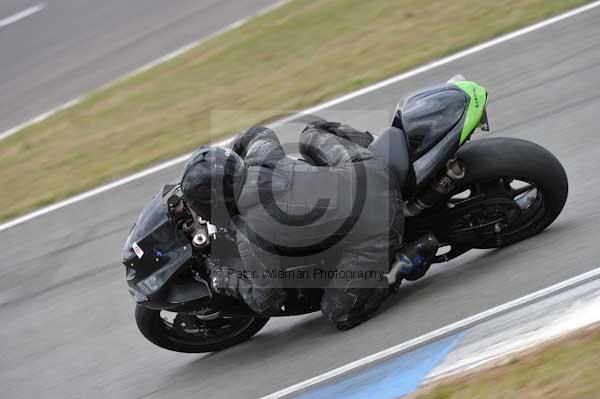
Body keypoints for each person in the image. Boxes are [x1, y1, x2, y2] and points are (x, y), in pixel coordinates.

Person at [180, 121, 436, 330]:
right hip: (369, 169)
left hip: (377, 227)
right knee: (310, 133)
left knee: (339, 313)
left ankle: (402, 265)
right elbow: (257, 132)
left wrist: (222, 280)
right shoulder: (261, 156)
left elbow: (265, 301)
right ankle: (372, 142)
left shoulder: (251, 234)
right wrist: (233, 153)